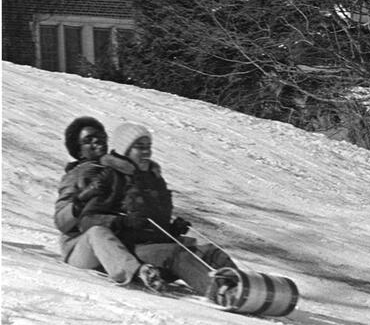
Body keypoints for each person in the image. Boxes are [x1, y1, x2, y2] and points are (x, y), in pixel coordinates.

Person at [75, 122, 236, 296]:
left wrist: (172, 229)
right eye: (139, 147)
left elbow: (153, 221)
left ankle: (247, 287)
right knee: (178, 254)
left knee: (210, 251)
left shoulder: (153, 177)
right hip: (132, 250)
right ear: (125, 149)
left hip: (158, 247)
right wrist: (122, 221)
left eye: (148, 147)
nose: (146, 152)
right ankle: (223, 294)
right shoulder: (112, 176)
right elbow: (87, 220)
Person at [54, 116, 165, 290]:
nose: (96, 141)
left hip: (113, 246)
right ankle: (138, 272)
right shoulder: (77, 175)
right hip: (81, 248)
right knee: (96, 232)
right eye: (88, 140)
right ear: (80, 150)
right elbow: (61, 221)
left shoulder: (118, 170)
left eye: (99, 136)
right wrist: (82, 198)